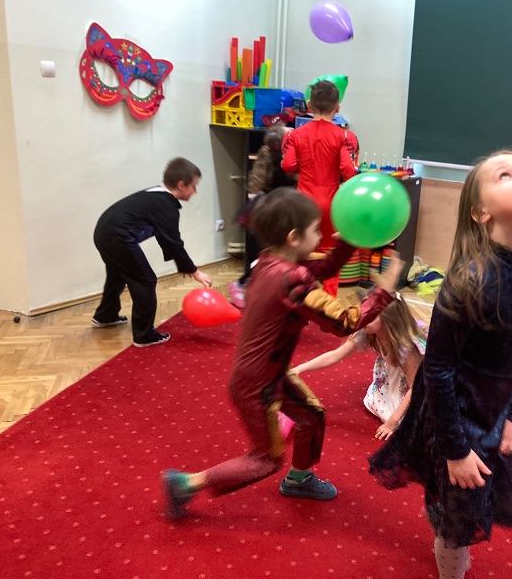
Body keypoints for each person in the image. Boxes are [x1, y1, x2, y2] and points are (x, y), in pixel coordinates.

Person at [368, 150, 512, 579]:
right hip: (455, 409)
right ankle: (451, 561)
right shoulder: (468, 281)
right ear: (480, 212)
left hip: (499, 404)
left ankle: (446, 519)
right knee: (458, 516)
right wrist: (455, 449)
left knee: (485, 495)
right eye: (505, 175)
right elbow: (437, 370)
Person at [161, 188, 403, 520]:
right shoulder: (291, 278)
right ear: (293, 237)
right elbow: (344, 322)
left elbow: (323, 266)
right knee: (265, 460)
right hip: (256, 384)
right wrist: (384, 291)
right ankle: (184, 484)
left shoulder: (270, 260)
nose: (320, 237)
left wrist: (349, 241)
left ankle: (298, 479)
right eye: (315, 230)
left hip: (265, 373)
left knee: (311, 416)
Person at [92, 157, 213, 347]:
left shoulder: (157, 196)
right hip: (116, 237)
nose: (195, 191)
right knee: (146, 281)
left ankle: (105, 315)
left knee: (117, 276)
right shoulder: (166, 205)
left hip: (104, 233)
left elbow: (164, 237)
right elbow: (173, 242)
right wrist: (194, 271)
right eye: (193, 186)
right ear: (181, 185)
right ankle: (144, 335)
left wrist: (184, 266)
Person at [293, 294, 426, 440]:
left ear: (389, 320)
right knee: (377, 404)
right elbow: (335, 355)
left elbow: (416, 387)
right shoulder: (367, 332)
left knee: (410, 424)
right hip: (396, 379)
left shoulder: (407, 349)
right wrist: (299, 369)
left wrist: (391, 423)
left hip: (418, 384)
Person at [281, 80, 359, 297]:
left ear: (308, 105)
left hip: (302, 201)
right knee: (330, 252)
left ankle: (300, 296)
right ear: (337, 107)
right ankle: (328, 300)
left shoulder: (294, 135)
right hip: (331, 201)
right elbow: (348, 170)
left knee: (299, 250)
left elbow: (288, 165)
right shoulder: (344, 136)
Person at [227, 122, 296, 309]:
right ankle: (240, 285)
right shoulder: (283, 167)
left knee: (265, 259)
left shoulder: (269, 159)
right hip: (264, 217)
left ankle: (253, 289)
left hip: (264, 214)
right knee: (262, 260)